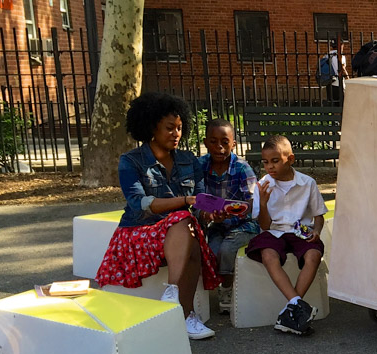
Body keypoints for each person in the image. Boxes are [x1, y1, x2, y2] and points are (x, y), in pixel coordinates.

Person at [95, 93, 220, 340]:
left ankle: (182, 310)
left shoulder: (188, 160)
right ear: (152, 127)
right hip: (139, 232)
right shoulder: (130, 161)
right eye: (169, 128)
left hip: (180, 231)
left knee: (189, 227)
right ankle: (183, 309)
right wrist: (185, 202)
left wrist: (212, 211)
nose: (176, 134)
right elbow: (140, 204)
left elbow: (200, 197)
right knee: (183, 220)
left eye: (180, 128)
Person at [246, 135, 328, 335]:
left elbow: (318, 215)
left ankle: (292, 309)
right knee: (268, 255)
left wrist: (316, 231)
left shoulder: (307, 183)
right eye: (265, 162)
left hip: (300, 231)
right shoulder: (263, 185)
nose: (270, 167)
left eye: (275, 161)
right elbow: (264, 225)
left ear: (290, 159)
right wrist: (263, 203)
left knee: (313, 255)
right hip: (274, 231)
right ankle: (297, 306)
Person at [199, 118, 260, 313]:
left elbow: (252, 202)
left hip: (244, 224)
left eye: (225, 142)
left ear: (233, 143)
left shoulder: (242, 168)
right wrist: (207, 215)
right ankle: (221, 283)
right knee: (213, 249)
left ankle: (226, 289)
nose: (219, 147)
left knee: (226, 249)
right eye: (213, 141)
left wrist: (232, 213)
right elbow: (195, 197)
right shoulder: (200, 166)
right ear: (206, 142)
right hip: (217, 224)